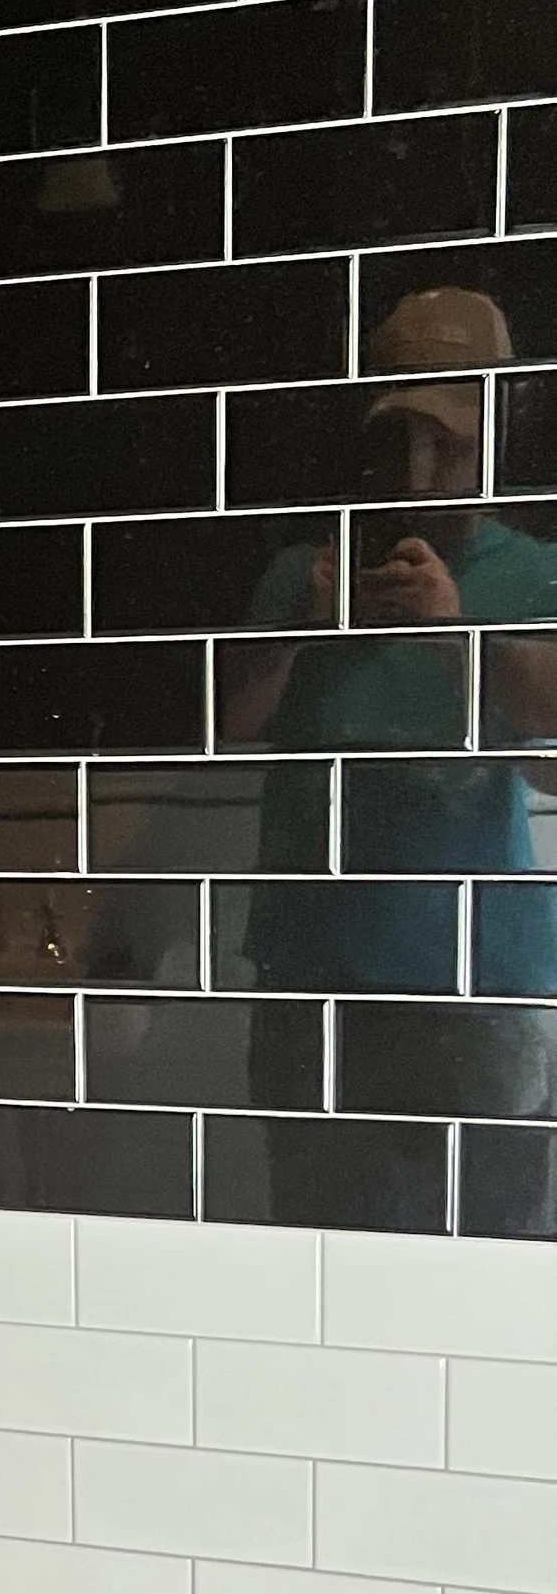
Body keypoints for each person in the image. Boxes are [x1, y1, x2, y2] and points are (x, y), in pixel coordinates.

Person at [223, 286, 557, 1170]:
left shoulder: (534, 575)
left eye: (445, 441)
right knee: (313, 1255)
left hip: (481, 991)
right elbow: (227, 724)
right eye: (402, 434)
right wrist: (301, 619)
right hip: (313, 981)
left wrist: (457, 633)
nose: (419, 465)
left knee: (489, 1266)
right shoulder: (304, 570)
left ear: (496, 429)